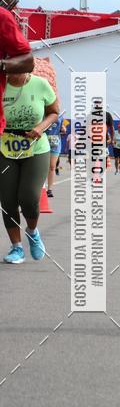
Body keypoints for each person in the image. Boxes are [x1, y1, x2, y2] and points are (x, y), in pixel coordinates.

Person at [0, 70, 59, 263]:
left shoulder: (40, 84)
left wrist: (40, 127)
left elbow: (54, 113)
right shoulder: (2, 85)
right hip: (5, 148)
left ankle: (32, 232)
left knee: (29, 197)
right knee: (7, 201)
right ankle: (16, 248)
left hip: (36, 148)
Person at [45, 113, 63, 197]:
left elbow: (61, 128)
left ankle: (49, 189)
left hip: (55, 143)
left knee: (52, 166)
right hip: (43, 141)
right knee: (42, 166)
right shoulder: (43, 114)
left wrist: (63, 129)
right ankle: (40, 188)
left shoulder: (60, 116)